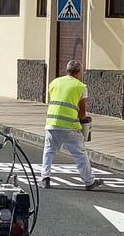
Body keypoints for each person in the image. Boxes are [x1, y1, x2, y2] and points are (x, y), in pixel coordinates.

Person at [40, 60, 103, 191]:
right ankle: (89, 181)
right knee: (80, 154)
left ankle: (45, 179)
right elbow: (82, 113)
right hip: (70, 127)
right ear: (79, 72)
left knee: (49, 151)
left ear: (66, 70)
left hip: (51, 124)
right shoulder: (80, 87)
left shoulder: (54, 82)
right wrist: (85, 121)